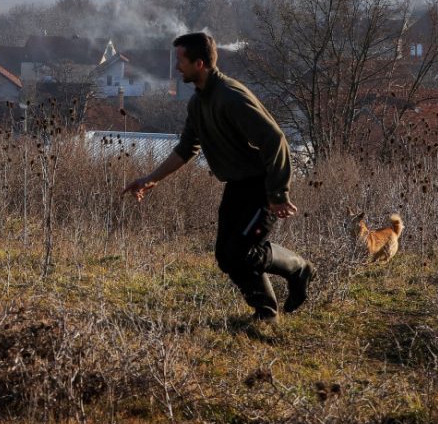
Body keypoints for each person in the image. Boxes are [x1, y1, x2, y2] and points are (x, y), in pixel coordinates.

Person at [121, 32, 314, 321]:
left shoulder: (231, 97)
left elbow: (275, 139)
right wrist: (150, 179)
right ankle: (267, 311)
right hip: (237, 186)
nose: (176, 68)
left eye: (181, 61)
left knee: (241, 252)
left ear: (199, 63)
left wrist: (277, 194)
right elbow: (186, 149)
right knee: (227, 256)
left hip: (261, 186)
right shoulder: (198, 103)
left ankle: (297, 272)